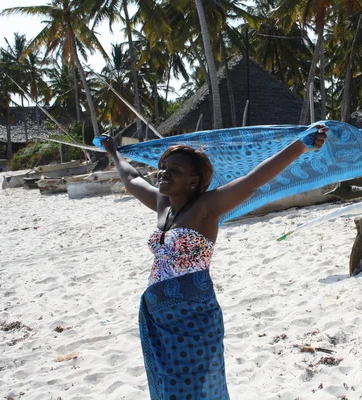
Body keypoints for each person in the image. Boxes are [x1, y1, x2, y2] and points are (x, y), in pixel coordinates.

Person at [101, 125, 328, 400]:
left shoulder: (208, 207)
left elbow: (253, 180)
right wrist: (113, 151)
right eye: (163, 167)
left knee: (195, 387)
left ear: (194, 180)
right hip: (158, 314)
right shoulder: (163, 204)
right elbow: (132, 178)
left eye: (174, 170)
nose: (164, 173)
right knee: (166, 385)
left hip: (193, 317)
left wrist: (299, 146)